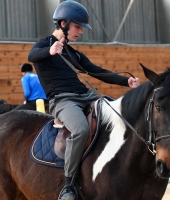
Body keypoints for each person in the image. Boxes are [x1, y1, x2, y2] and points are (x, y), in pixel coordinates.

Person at [28, 1, 140, 199]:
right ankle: (68, 185)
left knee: (118, 112)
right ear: (63, 23)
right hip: (62, 101)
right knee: (80, 130)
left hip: (85, 95)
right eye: (78, 27)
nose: (80, 32)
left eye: (81, 28)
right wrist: (50, 51)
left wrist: (126, 81)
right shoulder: (44, 46)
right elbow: (32, 55)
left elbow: (97, 71)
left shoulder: (74, 53)